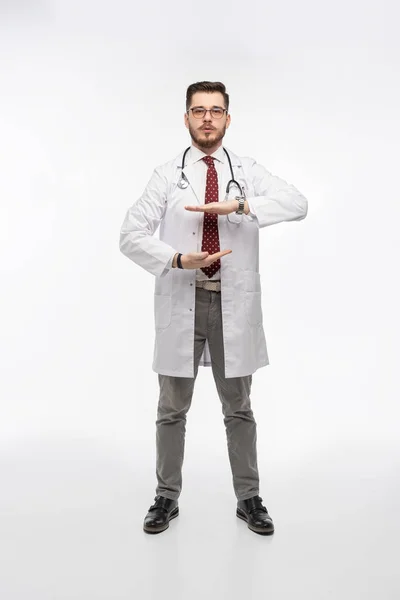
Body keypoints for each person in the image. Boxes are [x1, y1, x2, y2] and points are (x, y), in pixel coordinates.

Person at [119, 81, 308, 535]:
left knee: (238, 407)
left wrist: (239, 205)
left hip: (232, 306)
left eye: (216, 110)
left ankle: (249, 498)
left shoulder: (246, 171)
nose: (207, 118)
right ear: (186, 118)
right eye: (198, 110)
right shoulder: (167, 175)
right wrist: (178, 259)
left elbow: (297, 204)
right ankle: (166, 497)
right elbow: (129, 234)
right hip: (184, 297)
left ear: (228, 118)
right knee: (171, 408)